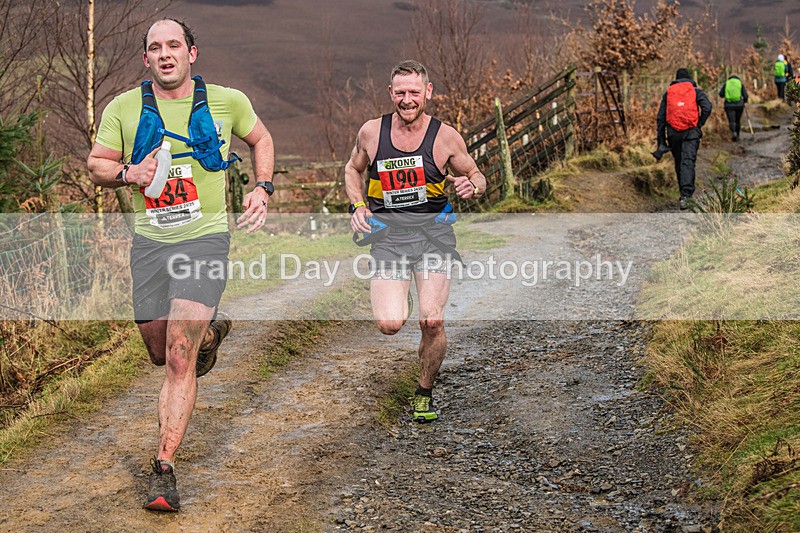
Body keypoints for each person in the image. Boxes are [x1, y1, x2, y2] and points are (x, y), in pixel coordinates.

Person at [87, 18, 275, 512]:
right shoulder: (124, 108)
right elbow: (96, 164)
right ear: (145, 59)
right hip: (150, 246)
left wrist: (262, 186)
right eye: (155, 47)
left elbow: (262, 140)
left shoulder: (227, 101)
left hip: (205, 241)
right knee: (157, 349)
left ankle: (163, 470)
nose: (165, 53)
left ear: (193, 53)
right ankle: (209, 335)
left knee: (176, 355)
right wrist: (130, 172)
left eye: (174, 45)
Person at [344, 60, 486, 423]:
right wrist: (358, 205)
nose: (407, 100)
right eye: (400, 93)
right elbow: (352, 169)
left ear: (428, 92)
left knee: (432, 321)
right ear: (391, 94)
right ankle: (401, 288)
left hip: (433, 237)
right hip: (389, 240)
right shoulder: (372, 133)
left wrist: (473, 184)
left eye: (414, 92)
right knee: (390, 323)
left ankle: (424, 392)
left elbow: (475, 174)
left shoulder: (445, 137)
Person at [655, 67, 712, 210]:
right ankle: (686, 196)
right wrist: (699, 123)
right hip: (691, 132)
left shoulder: (668, 93)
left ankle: (683, 193)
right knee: (688, 162)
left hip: (673, 133)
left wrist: (661, 140)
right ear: (689, 78)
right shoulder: (695, 91)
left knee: (679, 161)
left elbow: (660, 118)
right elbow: (708, 107)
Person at [719, 73, 749, 141]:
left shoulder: (727, 83)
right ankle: (738, 134)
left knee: (731, 120)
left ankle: (734, 133)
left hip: (729, 105)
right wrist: (744, 101)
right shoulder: (739, 83)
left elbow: (721, 94)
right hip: (739, 105)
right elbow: (746, 96)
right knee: (737, 120)